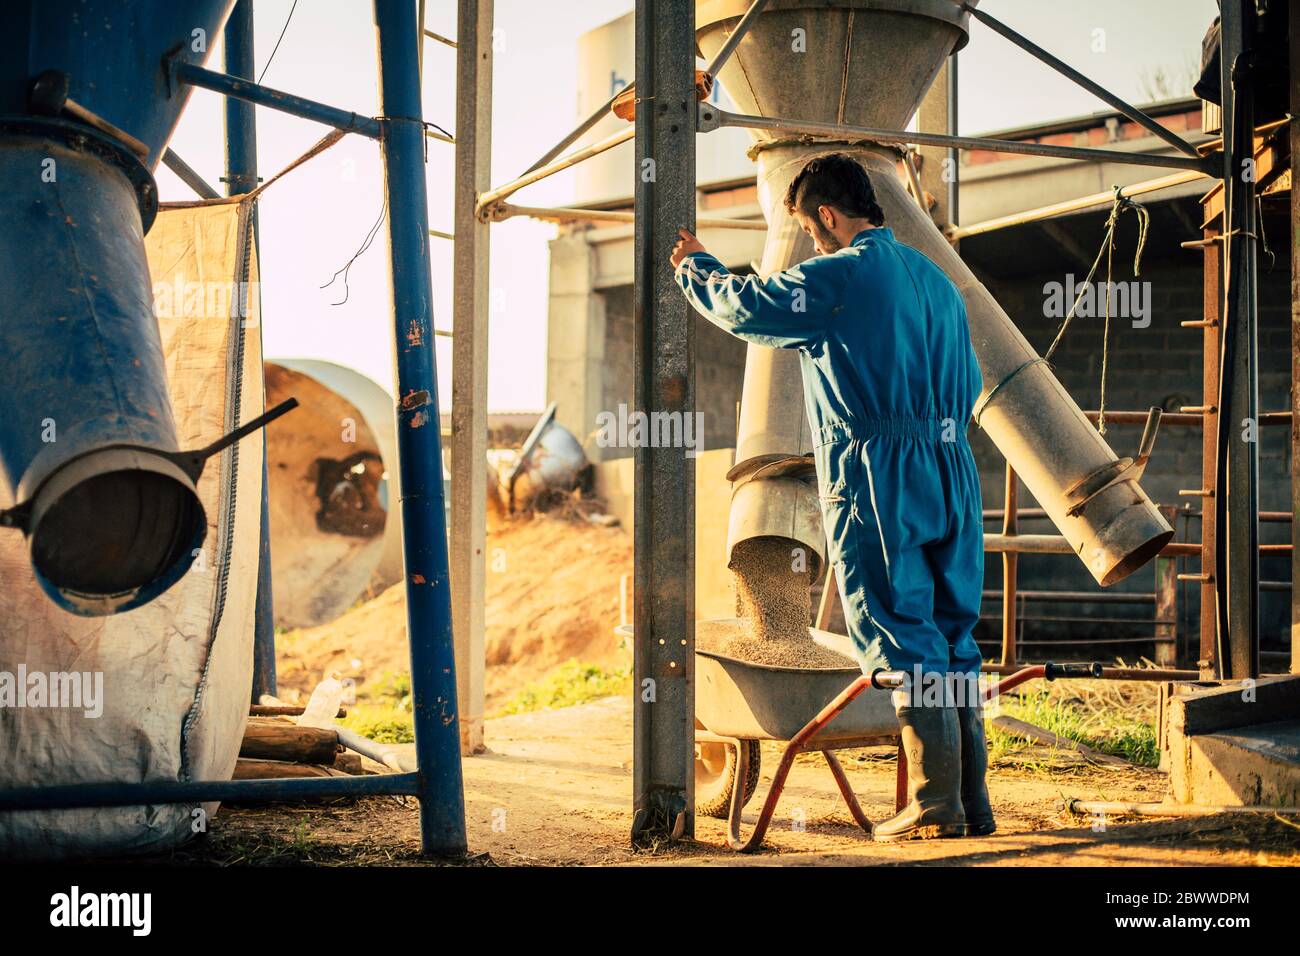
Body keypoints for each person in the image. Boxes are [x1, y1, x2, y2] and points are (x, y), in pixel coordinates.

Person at [670, 153, 993, 841]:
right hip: (952, 467)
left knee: (904, 632)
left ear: (825, 215)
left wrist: (696, 266)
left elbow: (749, 309)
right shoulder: (938, 282)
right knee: (953, 637)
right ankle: (971, 800)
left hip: (881, 471)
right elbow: (966, 379)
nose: (811, 244)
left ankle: (936, 805)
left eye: (809, 230)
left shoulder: (842, 273)